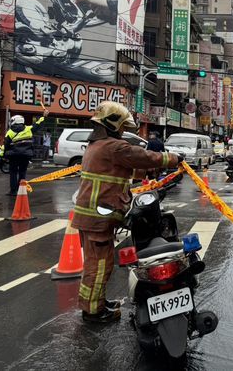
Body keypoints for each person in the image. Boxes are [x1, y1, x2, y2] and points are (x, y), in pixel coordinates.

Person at [72, 101, 181, 324]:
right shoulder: (113, 147)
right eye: (122, 126)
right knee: (99, 266)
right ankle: (93, 312)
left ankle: (97, 303)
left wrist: (151, 171)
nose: (123, 131)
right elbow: (140, 156)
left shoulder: (98, 146)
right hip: (97, 217)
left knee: (99, 263)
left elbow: (129, 167)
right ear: (112, 124)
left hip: (94, 216)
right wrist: (172, 159)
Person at [4, 111, 49, 196]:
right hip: (26, 155)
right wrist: (44, 116)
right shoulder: (29, 129)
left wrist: (5, 155)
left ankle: (13, 191)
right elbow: (38, 124)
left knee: (13, 173)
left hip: (14, 156)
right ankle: (21, 190)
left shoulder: (10, 132)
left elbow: (6, 145)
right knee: (22, 172)